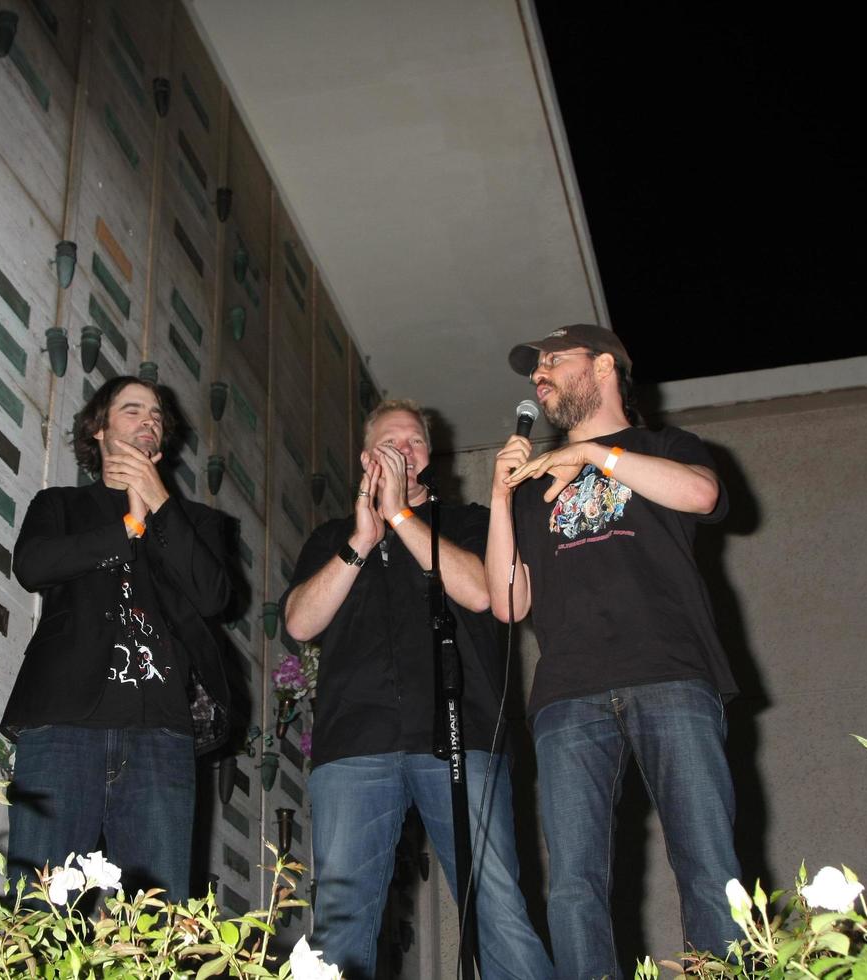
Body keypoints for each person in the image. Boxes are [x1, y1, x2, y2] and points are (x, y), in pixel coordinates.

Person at [485, 324, 743, 978]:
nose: (539, 376)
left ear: (604, 366)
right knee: (573, 885)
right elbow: (509, 602)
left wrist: (597, 457)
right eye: (533, 368)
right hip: (568, 693)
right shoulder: (534, 480)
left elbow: (702, 495)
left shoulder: (665, 446)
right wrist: (500, 496)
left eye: (552, 360)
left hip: (670, 674)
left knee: (709, 866)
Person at [283, 399, 552, 980]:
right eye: (391, 442)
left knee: (498, 908)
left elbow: (485, 594)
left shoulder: (472, 521)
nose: (406, 451)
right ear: (364, 458)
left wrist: (403, 517)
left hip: (462, 737)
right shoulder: (332, 535)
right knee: (340, 923)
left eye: (416, 442)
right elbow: (300, 622)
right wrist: (361, 538)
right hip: (355, 744)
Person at [0, 376, 231, 901]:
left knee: (157, 917)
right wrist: (128, 525)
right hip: (62, 722)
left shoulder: (196, 523)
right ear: (99, 429)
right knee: (39, 907)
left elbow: (214, 595)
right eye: (133, 410)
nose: (149, 421)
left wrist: (160, 505)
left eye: (156, 415)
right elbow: (33, 565)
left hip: (161, 730)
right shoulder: (59, 505)